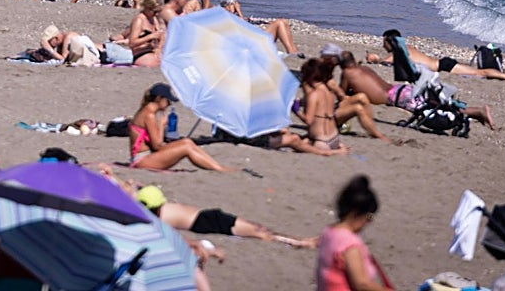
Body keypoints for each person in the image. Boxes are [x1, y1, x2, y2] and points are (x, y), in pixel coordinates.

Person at [337, 51, 495, 128]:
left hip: (397, 97)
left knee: (432, 110)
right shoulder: (363, 69)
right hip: (400, 89)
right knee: (435, 103)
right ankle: (474, 113)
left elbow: (341, 94)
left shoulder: (348, 73)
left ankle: (476, 112)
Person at [134, 185, 315, 247]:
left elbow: (130, 191)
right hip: (207, 222)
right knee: (258, 231)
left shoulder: (145, 209)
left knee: (257, 228)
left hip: (208, 216)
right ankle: (299, 242)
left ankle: (299, 240)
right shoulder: (152, 220)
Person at [315, 175, 393, 290]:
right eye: (369, 217)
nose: (368, 222)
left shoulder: (329, 232)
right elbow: (362, 284)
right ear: (356, 213)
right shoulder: (350, 244)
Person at [128, 83, 228, 171]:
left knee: (187, 142)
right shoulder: (149, 115)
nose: (169, 104)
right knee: (186, 147)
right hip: (142, 160)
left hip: (146, 156)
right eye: (168, 101)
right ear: (159, 98)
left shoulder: (146, 111)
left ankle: (218, 167)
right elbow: (157, 145)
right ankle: (218, 169)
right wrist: (162, 126)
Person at [367, 29, 505, 82]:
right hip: (442, 63)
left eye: (384, 42)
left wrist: (375, 60)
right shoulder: (408, 47)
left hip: (442, 66)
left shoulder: (399, 52)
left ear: (390, 41)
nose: (383, 45)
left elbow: (387, 62)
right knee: (477, 73)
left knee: (479, 73)